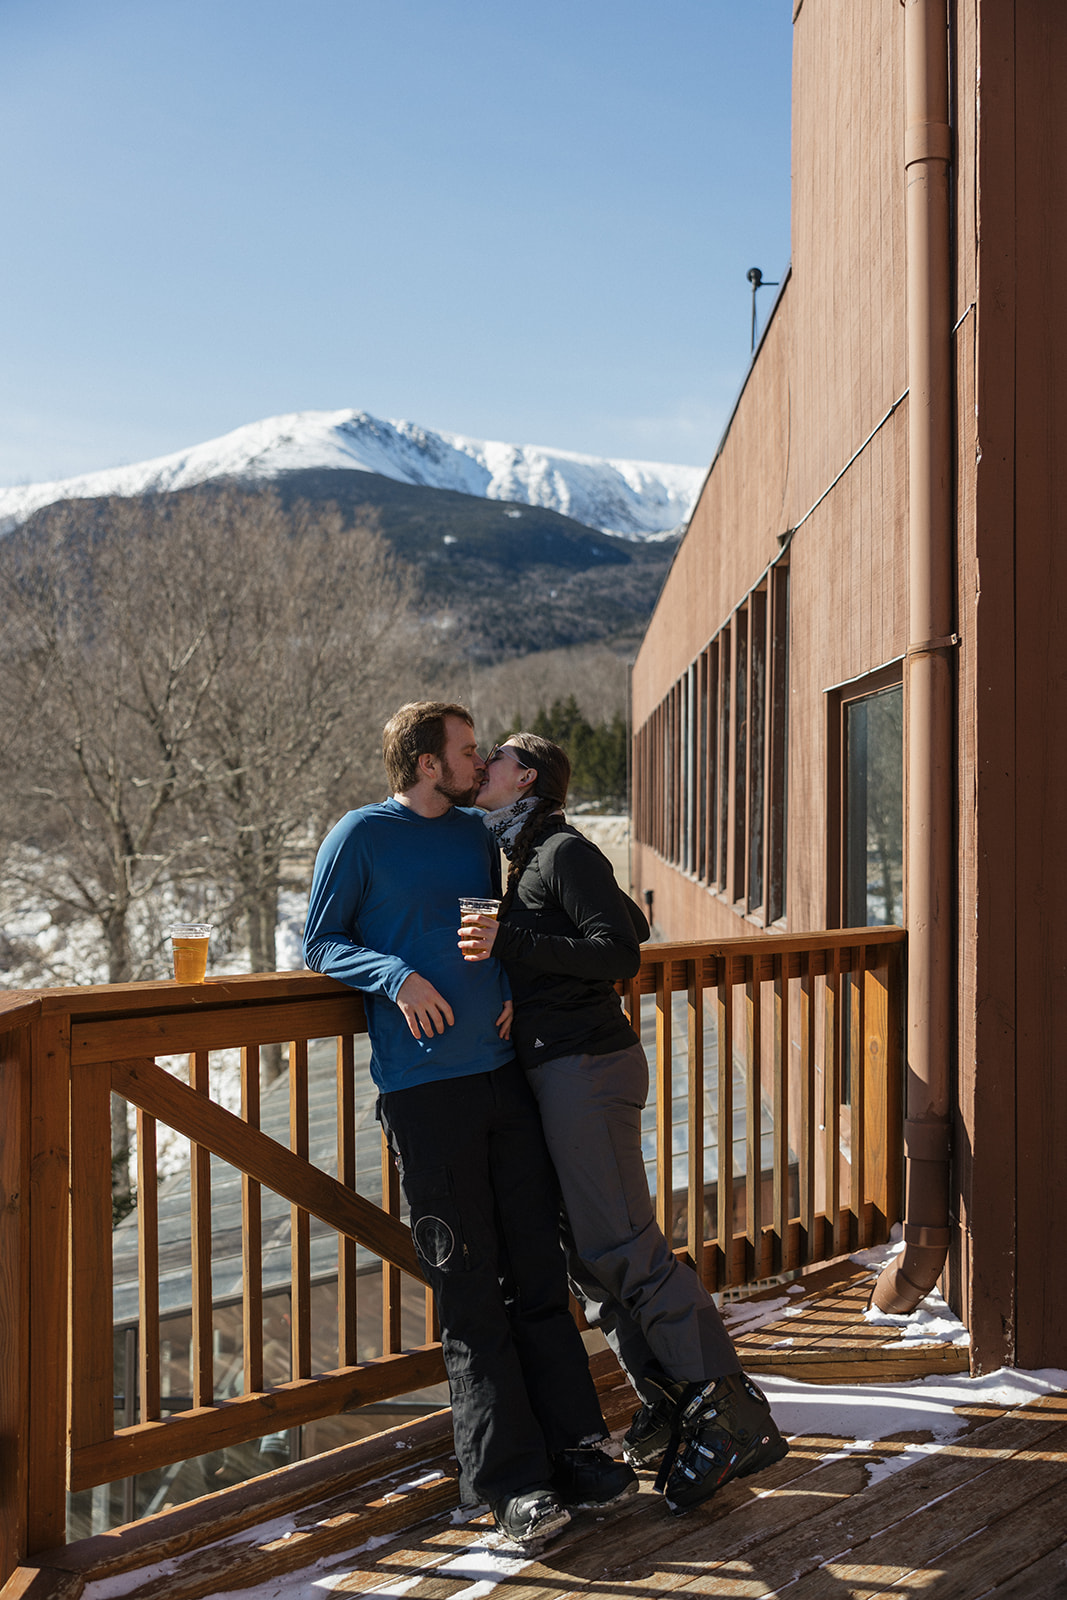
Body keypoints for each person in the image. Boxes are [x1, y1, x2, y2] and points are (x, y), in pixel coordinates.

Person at [302, 702, 636, 1550]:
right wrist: (394, 976)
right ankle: (509, 1482)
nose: (477, 758)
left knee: (535, 1268)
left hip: (503, 1078)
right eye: (463, 750)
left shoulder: (472, 836)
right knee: (468, 1285)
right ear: (422, 762)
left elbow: (501, 932)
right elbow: (321, 942)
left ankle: (576, 1447)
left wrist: (515, 992)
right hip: (424, 1090)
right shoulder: (360, 835)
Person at [458, 732, 787, 1515]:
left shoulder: (563, 851)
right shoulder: (523, 855)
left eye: (493, 758)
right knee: (588, 1258)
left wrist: (510, 943)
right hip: (559, 1066)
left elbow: (621, 949)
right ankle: (677, 1400)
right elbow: (559, 958)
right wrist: (521, 991)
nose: (483, 768)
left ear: (525, 775)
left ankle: (725, 1406)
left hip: (587, 1071)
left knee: (621, 1248)